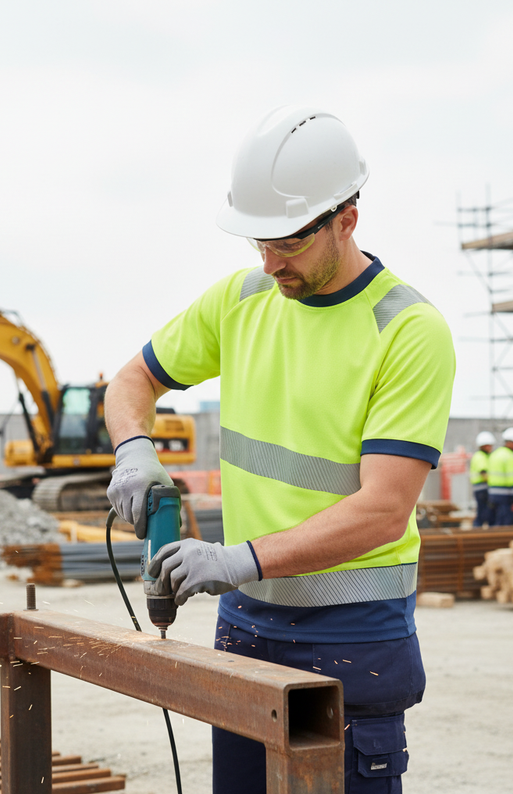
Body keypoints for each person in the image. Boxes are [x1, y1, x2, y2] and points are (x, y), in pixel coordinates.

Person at [104, 105, 456, 793]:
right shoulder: (244, 298)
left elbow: (384, 510)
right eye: (258, 242)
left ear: (346, 219)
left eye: (288, 244)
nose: (270, 263)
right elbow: (132, 379)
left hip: (354, 640)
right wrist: (135, 450)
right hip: (246, 623)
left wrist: (237, 559)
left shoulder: (407, 330)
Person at [487, 428, 513, 526]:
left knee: (495, 523)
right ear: (512, 443)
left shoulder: (494, 454)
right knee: (507, 524)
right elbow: (512, 480)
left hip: (493, 495)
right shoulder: (510, 456)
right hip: (505, 497)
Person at [469, 431, 495, 527]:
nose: (490, 448)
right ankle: (477, 529)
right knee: (484, 512)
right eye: (488, 445)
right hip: (482, 489)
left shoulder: (482, 456)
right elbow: (483, 473)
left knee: (483, 511)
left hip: (480, 489)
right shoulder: (481, 456)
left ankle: (478, 528)